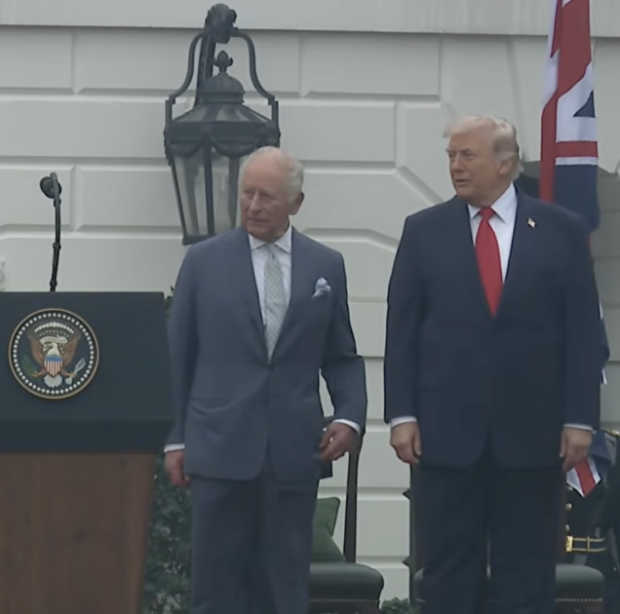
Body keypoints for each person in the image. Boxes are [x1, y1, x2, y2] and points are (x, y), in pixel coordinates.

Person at [384, 115, 602, 613]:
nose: (456, 166)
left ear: (505, 163)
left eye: (468, 155)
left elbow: (582, 335)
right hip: (445, 438)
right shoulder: (423, 231)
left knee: (526, 574)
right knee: (447, 575)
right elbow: (403, 332)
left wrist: (579, 418)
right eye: (451, 156)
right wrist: (402, 415)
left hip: (532, 438)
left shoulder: (562, 231)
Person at [163, 146, 367, 614]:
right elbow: (178, 356)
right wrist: (176, 439)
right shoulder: (203, 261)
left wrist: (349, 417)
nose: (253, 206)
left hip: (293, 452)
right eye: (247, 193)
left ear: (296, 202)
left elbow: (341, 355)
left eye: (267, 197)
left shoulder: (325, 266)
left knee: (284, 588)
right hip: (219, 448)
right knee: (217, 589)